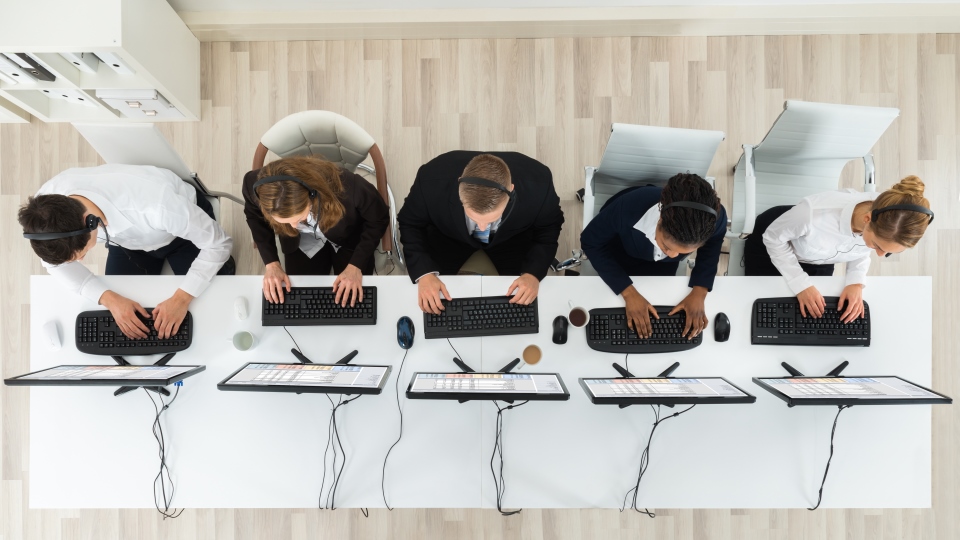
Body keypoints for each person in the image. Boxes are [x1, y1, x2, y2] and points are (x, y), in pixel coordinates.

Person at [18, 164, 235, 340]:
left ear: (91, 222)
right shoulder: (44, 214)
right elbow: (54, 265)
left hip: (180, 234)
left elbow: (219, 244)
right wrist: (109, 299)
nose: (82, 260)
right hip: (127, 242)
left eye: (81, 253)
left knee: (209, 304)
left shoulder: (157, 206)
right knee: (125, 319)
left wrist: (181, 298)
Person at [744, 175, 932, 322]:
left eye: (888, 252)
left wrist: (855, 282)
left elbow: (860, 249)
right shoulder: (812, 216)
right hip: (774, 243)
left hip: (819, 256)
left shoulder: (888, 215)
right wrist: (800, 284)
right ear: (867, 219)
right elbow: (772, 238)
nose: (880, 255)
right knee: (761, 306)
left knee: (813, 315)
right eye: (877, 246)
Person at [397, 151, 564, 314]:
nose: (483, 228)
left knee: (521, 307)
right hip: (449, 238)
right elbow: (410, 223)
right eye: (474, 218)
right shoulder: (430, 180)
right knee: (433, 304)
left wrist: (533, 274)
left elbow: (549, 228)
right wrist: (424, 274)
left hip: (511, 241)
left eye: (491, 219)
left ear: (511, 190)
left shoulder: (540, 184)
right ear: (459, 189)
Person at [580, 173, 727, 340]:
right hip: (620, 250)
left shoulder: (714, 219)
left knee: (661, 305)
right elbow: (590, 242)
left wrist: (700, 291)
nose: (671, 255)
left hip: (661, 267)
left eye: (683, 252)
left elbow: (713, 245)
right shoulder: (626, 208)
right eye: (666, 246)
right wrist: (628, 292)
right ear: (660, 221)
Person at [242, 155, 389, 306]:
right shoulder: (253, 186)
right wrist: (271, 264)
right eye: (285, 222)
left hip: (347, 238)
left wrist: (356, 265)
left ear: (312, 195)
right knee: (300, 299)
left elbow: (379, 219)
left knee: (353, 298)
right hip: (300, 242)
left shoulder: (351, 187)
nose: (293, 227)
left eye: (299, 219)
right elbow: (254, 217)